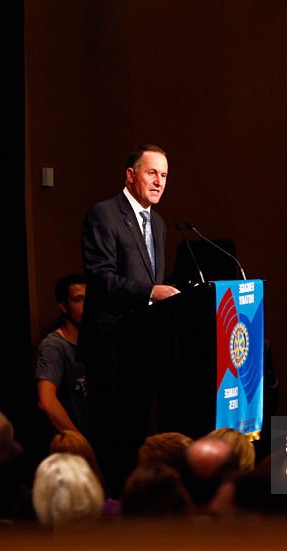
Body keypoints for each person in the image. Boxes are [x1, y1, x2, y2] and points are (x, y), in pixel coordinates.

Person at [80, 144, 180, 495]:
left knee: (139, 432)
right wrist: (151, 292)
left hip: (144, 345)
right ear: (131, 175)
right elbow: (101, 277)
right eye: (152, 173)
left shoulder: (160, 223)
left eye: (164, 175)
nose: (159, 182)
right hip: (112, 346)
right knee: (114, 438)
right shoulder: (104, 215)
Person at [35, 273, 89, 435]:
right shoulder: (54, 346)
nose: (86, 306)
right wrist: (79, 442)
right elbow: (46, 400)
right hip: (71, 449)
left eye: (89, 299)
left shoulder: (96, 341)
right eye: (78, 300)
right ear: (64, 306)